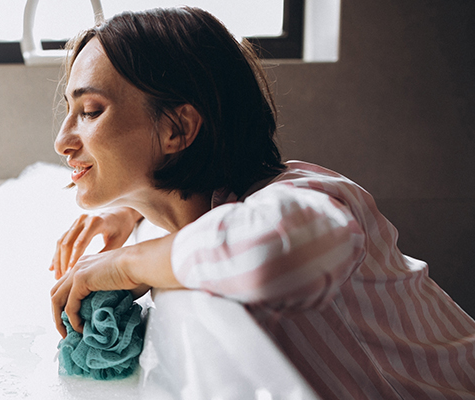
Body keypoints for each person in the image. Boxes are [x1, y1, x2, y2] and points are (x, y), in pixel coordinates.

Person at [46, 7, 475, 399]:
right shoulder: (206, 205)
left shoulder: (303, 194)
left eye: (90, 111)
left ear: (177, 129)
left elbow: (273, 250)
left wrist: (125, 264)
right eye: (69, 110)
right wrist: (135, 207)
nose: (62, 141)